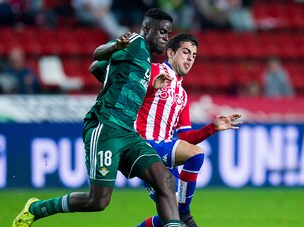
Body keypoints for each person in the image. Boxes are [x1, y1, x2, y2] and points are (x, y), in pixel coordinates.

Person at [12, 8, 183, 227]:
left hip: (128, 133)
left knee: (165, 181)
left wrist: (114, 78)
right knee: (97, 201)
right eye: (161, 32)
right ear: (147, 29)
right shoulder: (136, 43)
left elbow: (96, 68)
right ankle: (35, 209)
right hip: (106, 128)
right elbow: (98, 54)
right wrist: (115, 46)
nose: (165, 38)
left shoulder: (145, 60)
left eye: (168, 34)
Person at [90, 33, 242, 227]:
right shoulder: (152, 70)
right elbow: (100, 70)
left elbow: (186, 136)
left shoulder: (183, 96)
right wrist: (148, 87)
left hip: (163, 154)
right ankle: (185, 213)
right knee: (196, 156)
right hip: (142, 145)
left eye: (194, 56)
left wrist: (213, 128)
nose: (190, 58)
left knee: (170, 216)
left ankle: (182, 215)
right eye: (186, 52)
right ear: (170, 53)